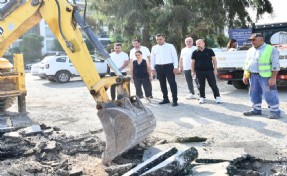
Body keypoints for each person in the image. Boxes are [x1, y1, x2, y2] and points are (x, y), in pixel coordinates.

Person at [242, 33, 281, 119]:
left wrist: (273, 78)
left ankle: (275, 111)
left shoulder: (271, 49)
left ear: (261, 39)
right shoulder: (250, 50)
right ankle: (256, 110)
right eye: (251, 40)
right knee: (253, 93)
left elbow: (276, 65)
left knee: (269, 93)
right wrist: (245, 75)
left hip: (266, 76)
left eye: (254, 40)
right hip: (252, 76)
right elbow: (247, 63)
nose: (252, 42)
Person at [151, 34, 179, 107]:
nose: (159, 41)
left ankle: (175, 100)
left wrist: (175, 67)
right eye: (157, 39)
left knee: (172, 83)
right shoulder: (154, 48)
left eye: (160, 39)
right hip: (158, 67)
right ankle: (165, 99)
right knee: (162, 83)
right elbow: (152, 59)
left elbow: (175, 57)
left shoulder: (170, 46)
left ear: (164, 39)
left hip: (169, 66)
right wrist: (152, 68)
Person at [191, 39, 221, 104]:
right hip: (199, 72)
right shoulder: (194, 52)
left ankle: (217, 97)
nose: (198, 45)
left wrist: (215, 69)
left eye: (199, 43)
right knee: (201, 85)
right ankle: (202, 98)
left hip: (210, 71)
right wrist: (192, 72)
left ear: (204, 43)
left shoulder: (210, 51)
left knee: (213, 84)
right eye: (197, 44)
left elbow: (214, 61)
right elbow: (192, 63)